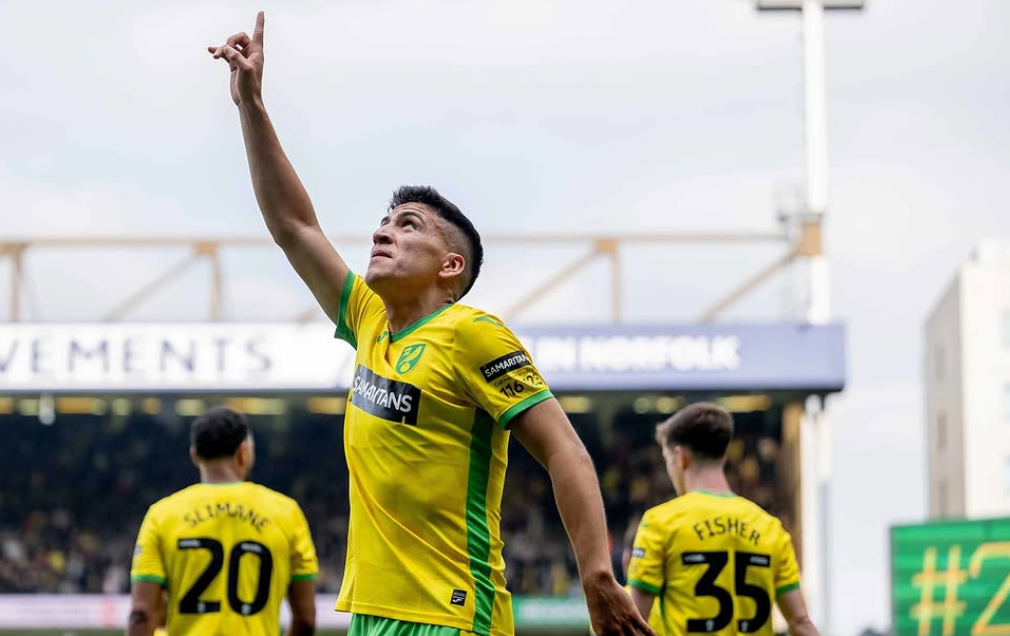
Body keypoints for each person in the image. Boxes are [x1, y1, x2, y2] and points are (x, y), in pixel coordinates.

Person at [208, 12, 654, 636]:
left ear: (450, 266)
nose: (382, 231)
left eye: (407, 224)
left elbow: (563, 449)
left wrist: (597, 575)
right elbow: (294, 227)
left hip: (453, 615)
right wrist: (251, 106)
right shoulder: (368, 320)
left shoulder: (472, 333)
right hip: (372, 615)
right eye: (383, 221)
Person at [627, 403, 820, 636]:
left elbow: (633, 625)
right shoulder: (770, 528)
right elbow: (801, 622)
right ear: (724, 456)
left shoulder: (660, 523)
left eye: (667, 460)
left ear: (680, 457)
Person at [127, 407, 318, 636]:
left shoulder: (162, 516)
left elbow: (142, 615)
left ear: (195, 455)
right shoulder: (286, 513)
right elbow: (305, 620)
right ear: (244, 453)